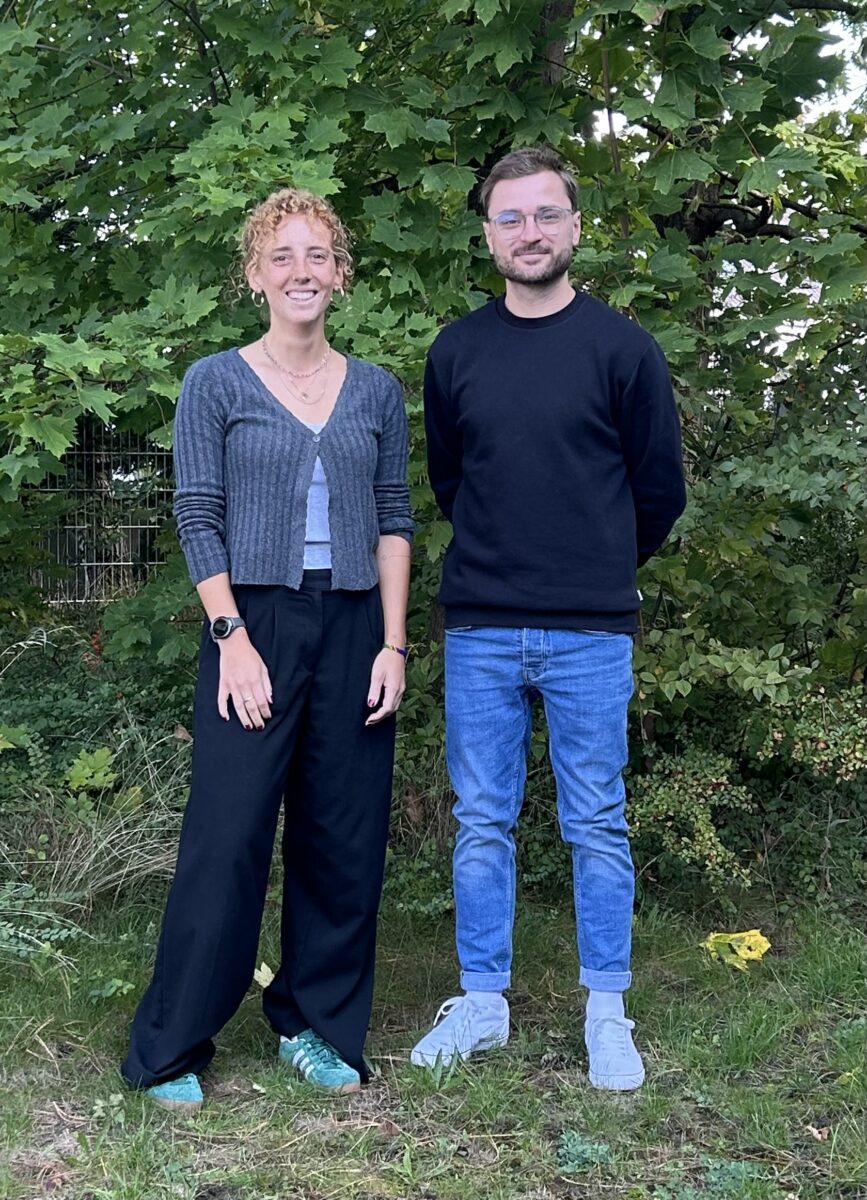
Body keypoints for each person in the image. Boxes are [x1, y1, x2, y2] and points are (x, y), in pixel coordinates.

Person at [121, 187, 413, 1111]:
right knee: (228, 835)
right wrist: (230, 637)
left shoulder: (376, 390)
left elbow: (395, 520)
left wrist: (394, 644)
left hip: (355, 625)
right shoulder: (215, 382)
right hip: (251, 624)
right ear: (254, 275)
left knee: (343, 838)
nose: (300, 271)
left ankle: (313, 1024)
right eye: (281, 255)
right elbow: (196, 514)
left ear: (340, 274)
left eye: (317, 254)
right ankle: (172, 1046)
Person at [412, 145, 686, 1090]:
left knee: (596, 822)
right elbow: (452, 481)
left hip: (590, 631)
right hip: (480, 626)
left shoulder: (623, 350)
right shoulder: (455, 352)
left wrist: (593, 566)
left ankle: (605, 1012)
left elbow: (657, 491)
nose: (528, 233)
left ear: (573, 225)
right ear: (487, 234)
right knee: (481, 822)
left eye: (544, 215)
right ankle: (482, 1002)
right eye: (510, 218)